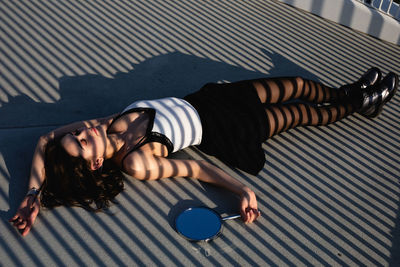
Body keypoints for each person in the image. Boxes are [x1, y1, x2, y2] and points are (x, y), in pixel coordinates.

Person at [9, 67, 398, 236]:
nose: (82, 130)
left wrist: (33, 194)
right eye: (82, 141)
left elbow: (45, 140)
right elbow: (194, 171)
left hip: (213, 99)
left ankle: (347, 92)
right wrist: (241, 190)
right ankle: (362, 104)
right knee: (301, 116)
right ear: (95, 162)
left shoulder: (110, 123)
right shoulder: (136, 161)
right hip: (226, 127)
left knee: (297, 84)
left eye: (76, 132)